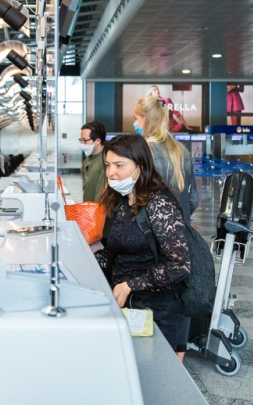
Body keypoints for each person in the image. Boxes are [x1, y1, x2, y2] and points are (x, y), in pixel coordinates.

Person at [95, 134, 192, 361]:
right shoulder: (123, 199)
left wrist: (130, 285)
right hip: (128, 304)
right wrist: (93, 261)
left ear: (140, 166)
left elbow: (180, 265)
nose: (111, 173)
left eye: (119, 165)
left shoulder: (160, 204)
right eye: (108, 165)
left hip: (156, 309)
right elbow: (117, 249)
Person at [133, 95, 199, 228]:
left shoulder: (141, 152)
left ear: (146, 119)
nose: (135, 123)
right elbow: (193, 199)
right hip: (181, 231)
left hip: (151, 232)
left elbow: (136, 200)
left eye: (136, 118)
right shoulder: (181, 151)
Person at [79, 121, 107, 203]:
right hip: (88, 208)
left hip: (97, 211)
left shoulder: (105, 160)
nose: (82, 143)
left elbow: (101, 192)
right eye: (81, 140)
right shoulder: (88, 158)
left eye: (85, 140)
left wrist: (96, 211)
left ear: (97, 141)